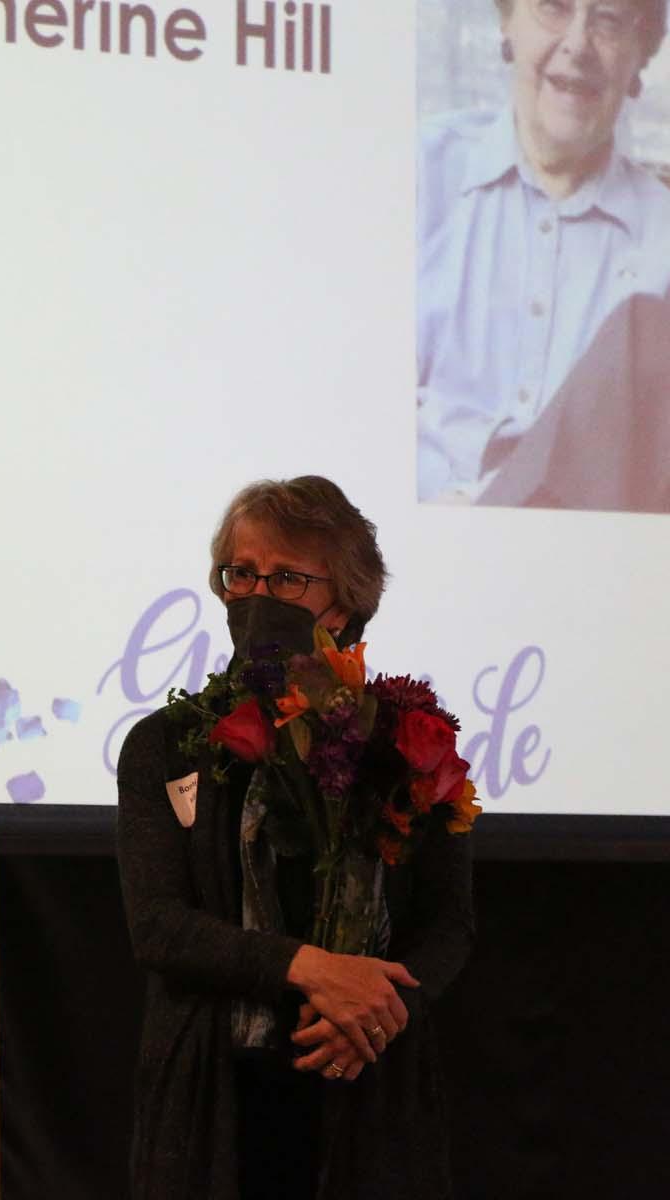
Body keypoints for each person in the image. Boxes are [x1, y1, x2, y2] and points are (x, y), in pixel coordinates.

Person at [116, 477, 475, 1199]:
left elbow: (449, 925)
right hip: (214, 1091)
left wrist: (373, 1013)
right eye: (240, 573)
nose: (254, 594)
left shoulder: (405, 740)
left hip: (367, 1080)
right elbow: (158, 927)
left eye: (285, 577)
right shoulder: (166, 745)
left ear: (341, 604)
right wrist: (311, 969)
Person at [417, 0, 670, 510]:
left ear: (640, 54)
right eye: (554, 7)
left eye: (608, 20)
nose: (578, 44)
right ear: (507, 20)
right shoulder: (419, 172)